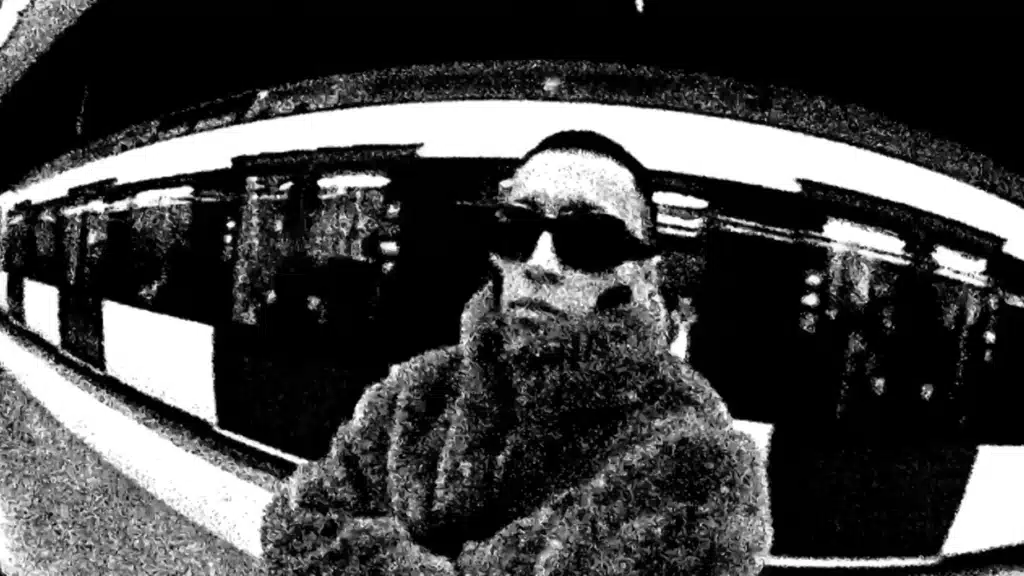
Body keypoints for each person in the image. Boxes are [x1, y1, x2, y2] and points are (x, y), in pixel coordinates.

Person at [260, 130, 771, 575]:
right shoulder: (417, 393)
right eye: (517, 228)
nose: (541, 263)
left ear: (642, 274)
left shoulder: (696, 454)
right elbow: (297, 524)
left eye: (588, 239)